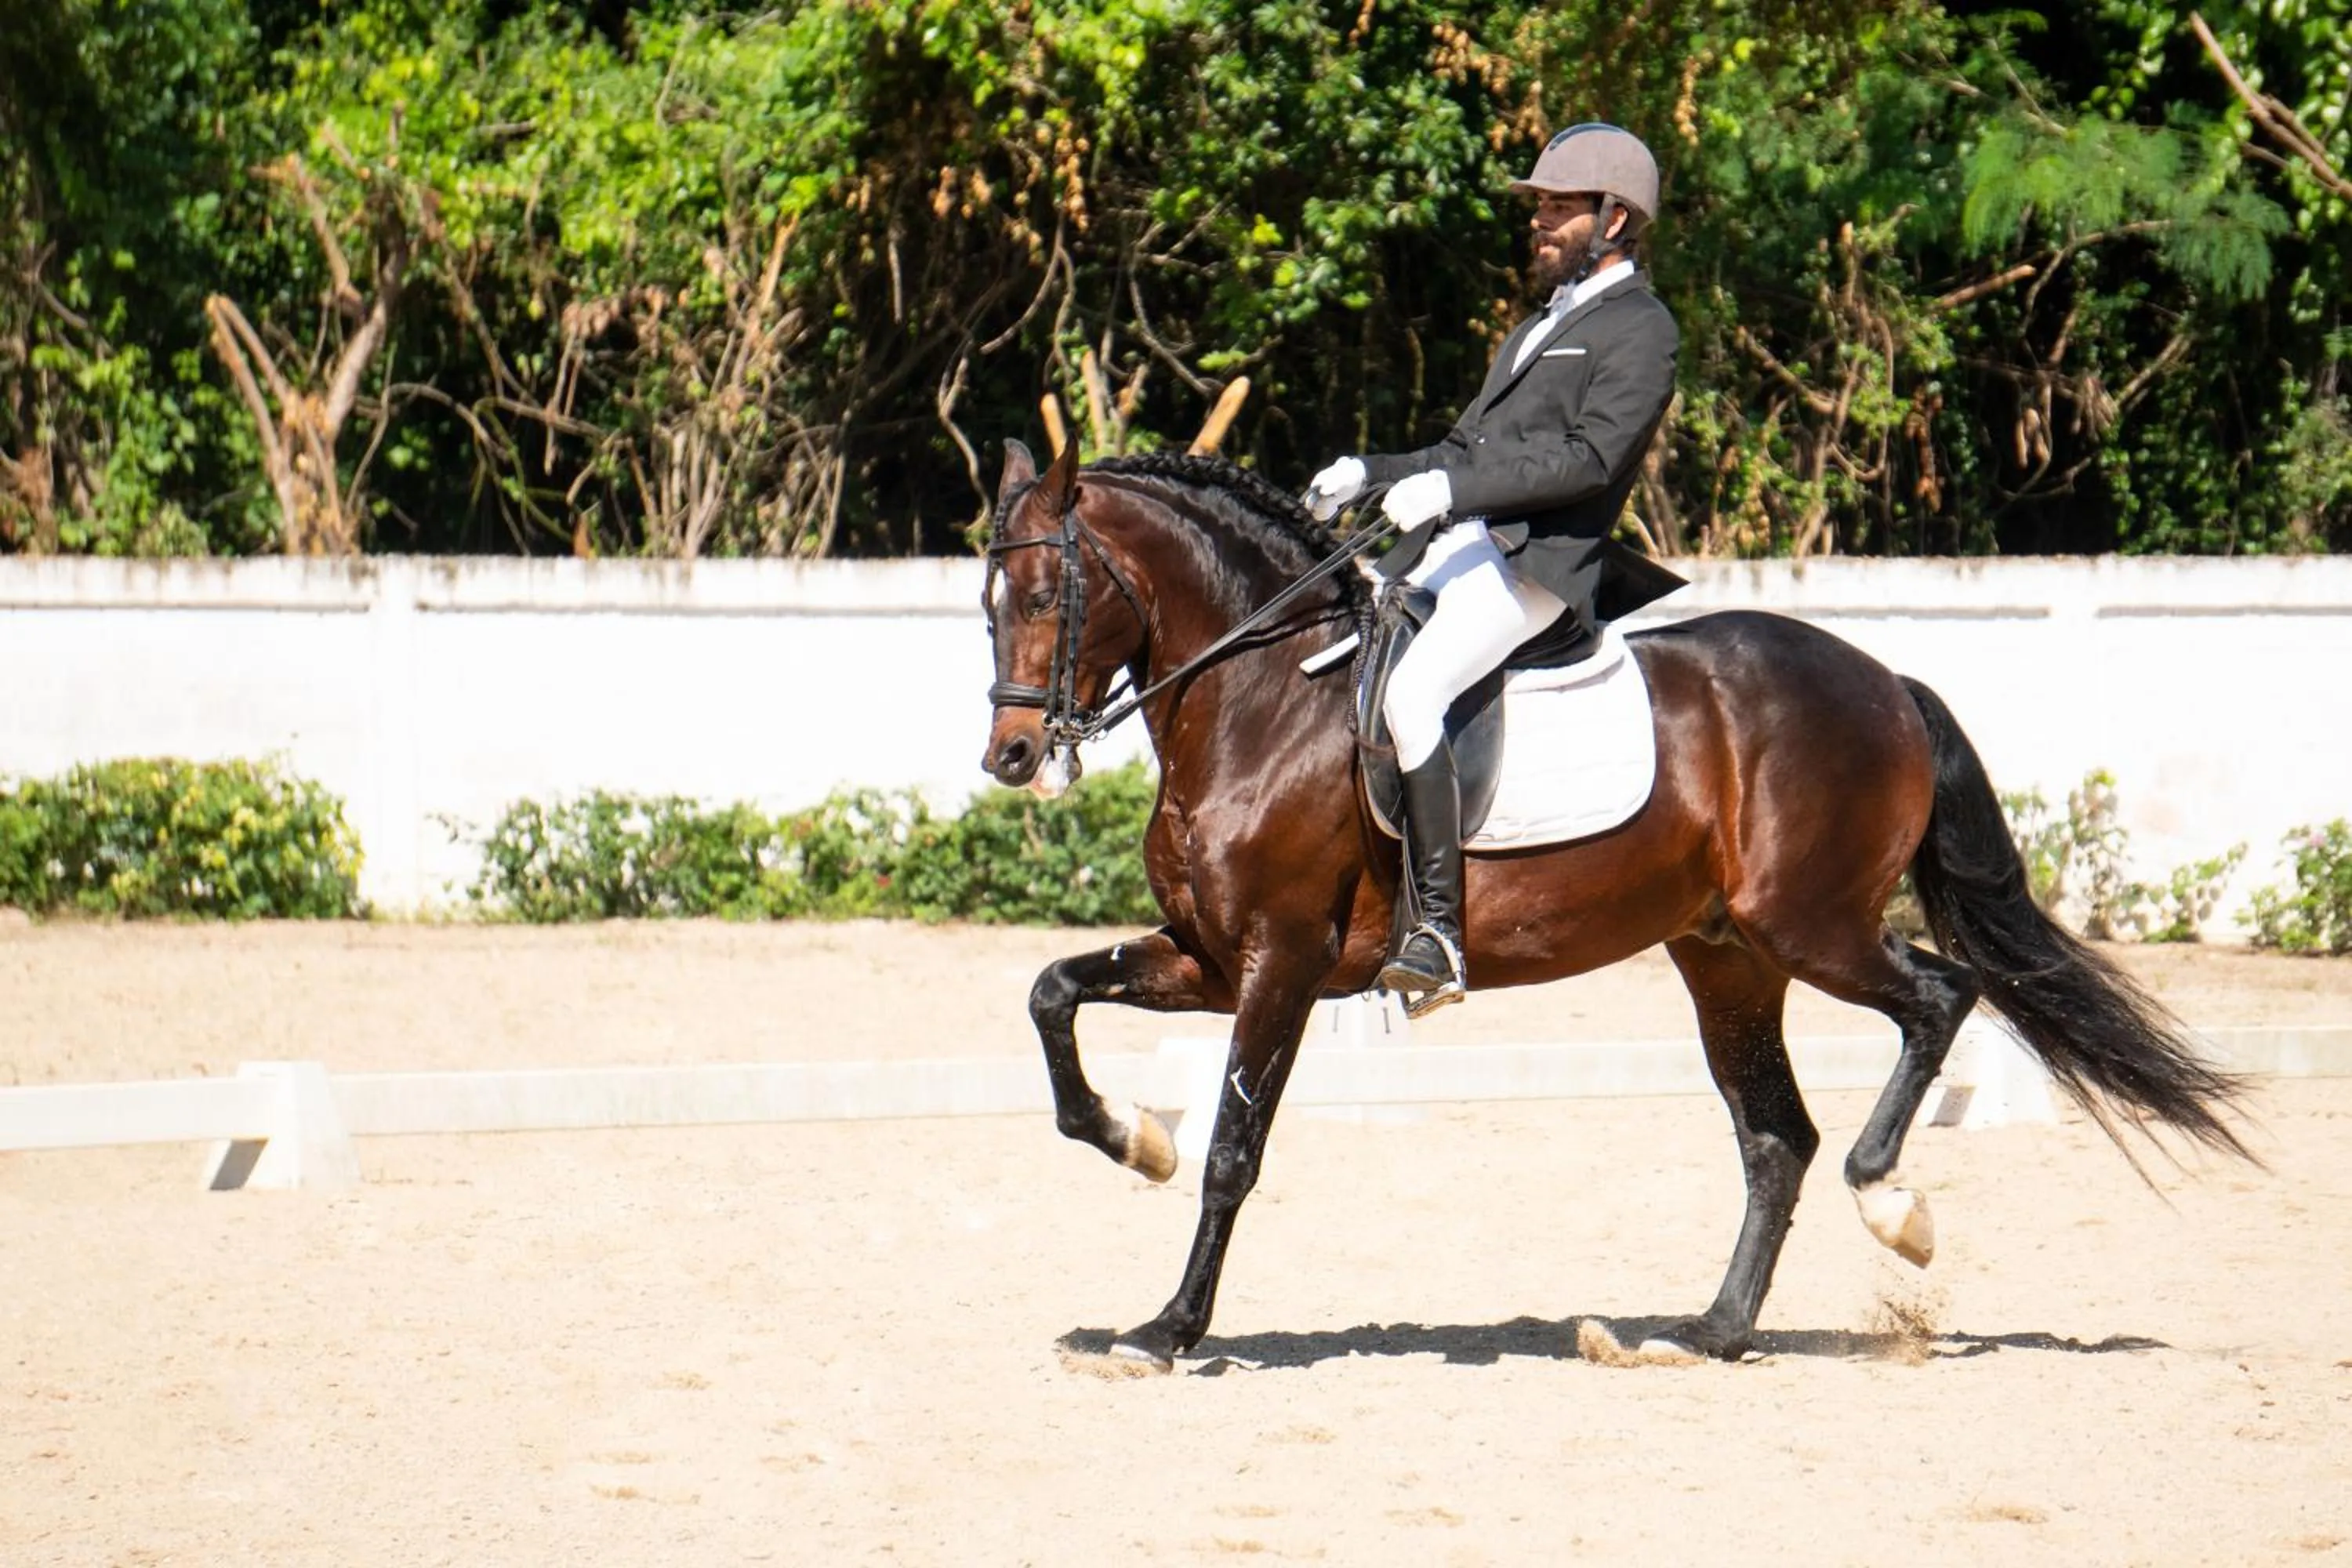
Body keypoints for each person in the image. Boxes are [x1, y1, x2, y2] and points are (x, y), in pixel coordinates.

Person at [1305, 122, 1682, 1012]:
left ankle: (1436, 933)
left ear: (1615, 219)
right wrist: (1378, 472)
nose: (1538, 223)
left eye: (1557, 208)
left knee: (1412, 695)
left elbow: (1588, 461)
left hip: (1538, 564)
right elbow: (1463, 448)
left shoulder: (1642, 330)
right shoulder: (1540, 327)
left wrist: (1446, 489)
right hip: (1468, 546)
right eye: (1540, 208)